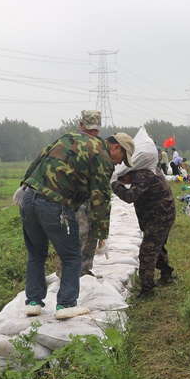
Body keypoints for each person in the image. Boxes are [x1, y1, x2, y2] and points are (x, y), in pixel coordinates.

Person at [20, 131, 134, 319]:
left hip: (29, 198)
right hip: (54, 203)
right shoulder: (103, 158)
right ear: (117, 147)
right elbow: (101, 198)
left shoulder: (72, 136)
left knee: (36, 253)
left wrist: (25, 184)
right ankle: (66, 304)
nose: (118, 163)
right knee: (72, 255)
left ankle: (33, 302)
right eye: (121, 158)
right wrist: (102, 234)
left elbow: (41, 157)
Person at [112, 164, 176, 297]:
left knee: (147, 251)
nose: (126, 184)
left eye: (123, 181)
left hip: (160, 217)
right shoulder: (144, 171)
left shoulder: (143, 175)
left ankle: (147, 289)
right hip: (157, 215)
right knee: (156, 247)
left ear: (127, 175)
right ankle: (166, 274)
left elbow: (130, 196)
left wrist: (114, 184)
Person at [74, 110, 102, 277]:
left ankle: (85, 268)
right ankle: (68, 271)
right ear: (81, 125)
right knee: (79, 233)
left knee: (92, 232)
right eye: (89, 129)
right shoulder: (71, 143)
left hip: (92, 195)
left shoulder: (100, 146)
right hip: (75, 197)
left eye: (95, 129)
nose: (92, 133)